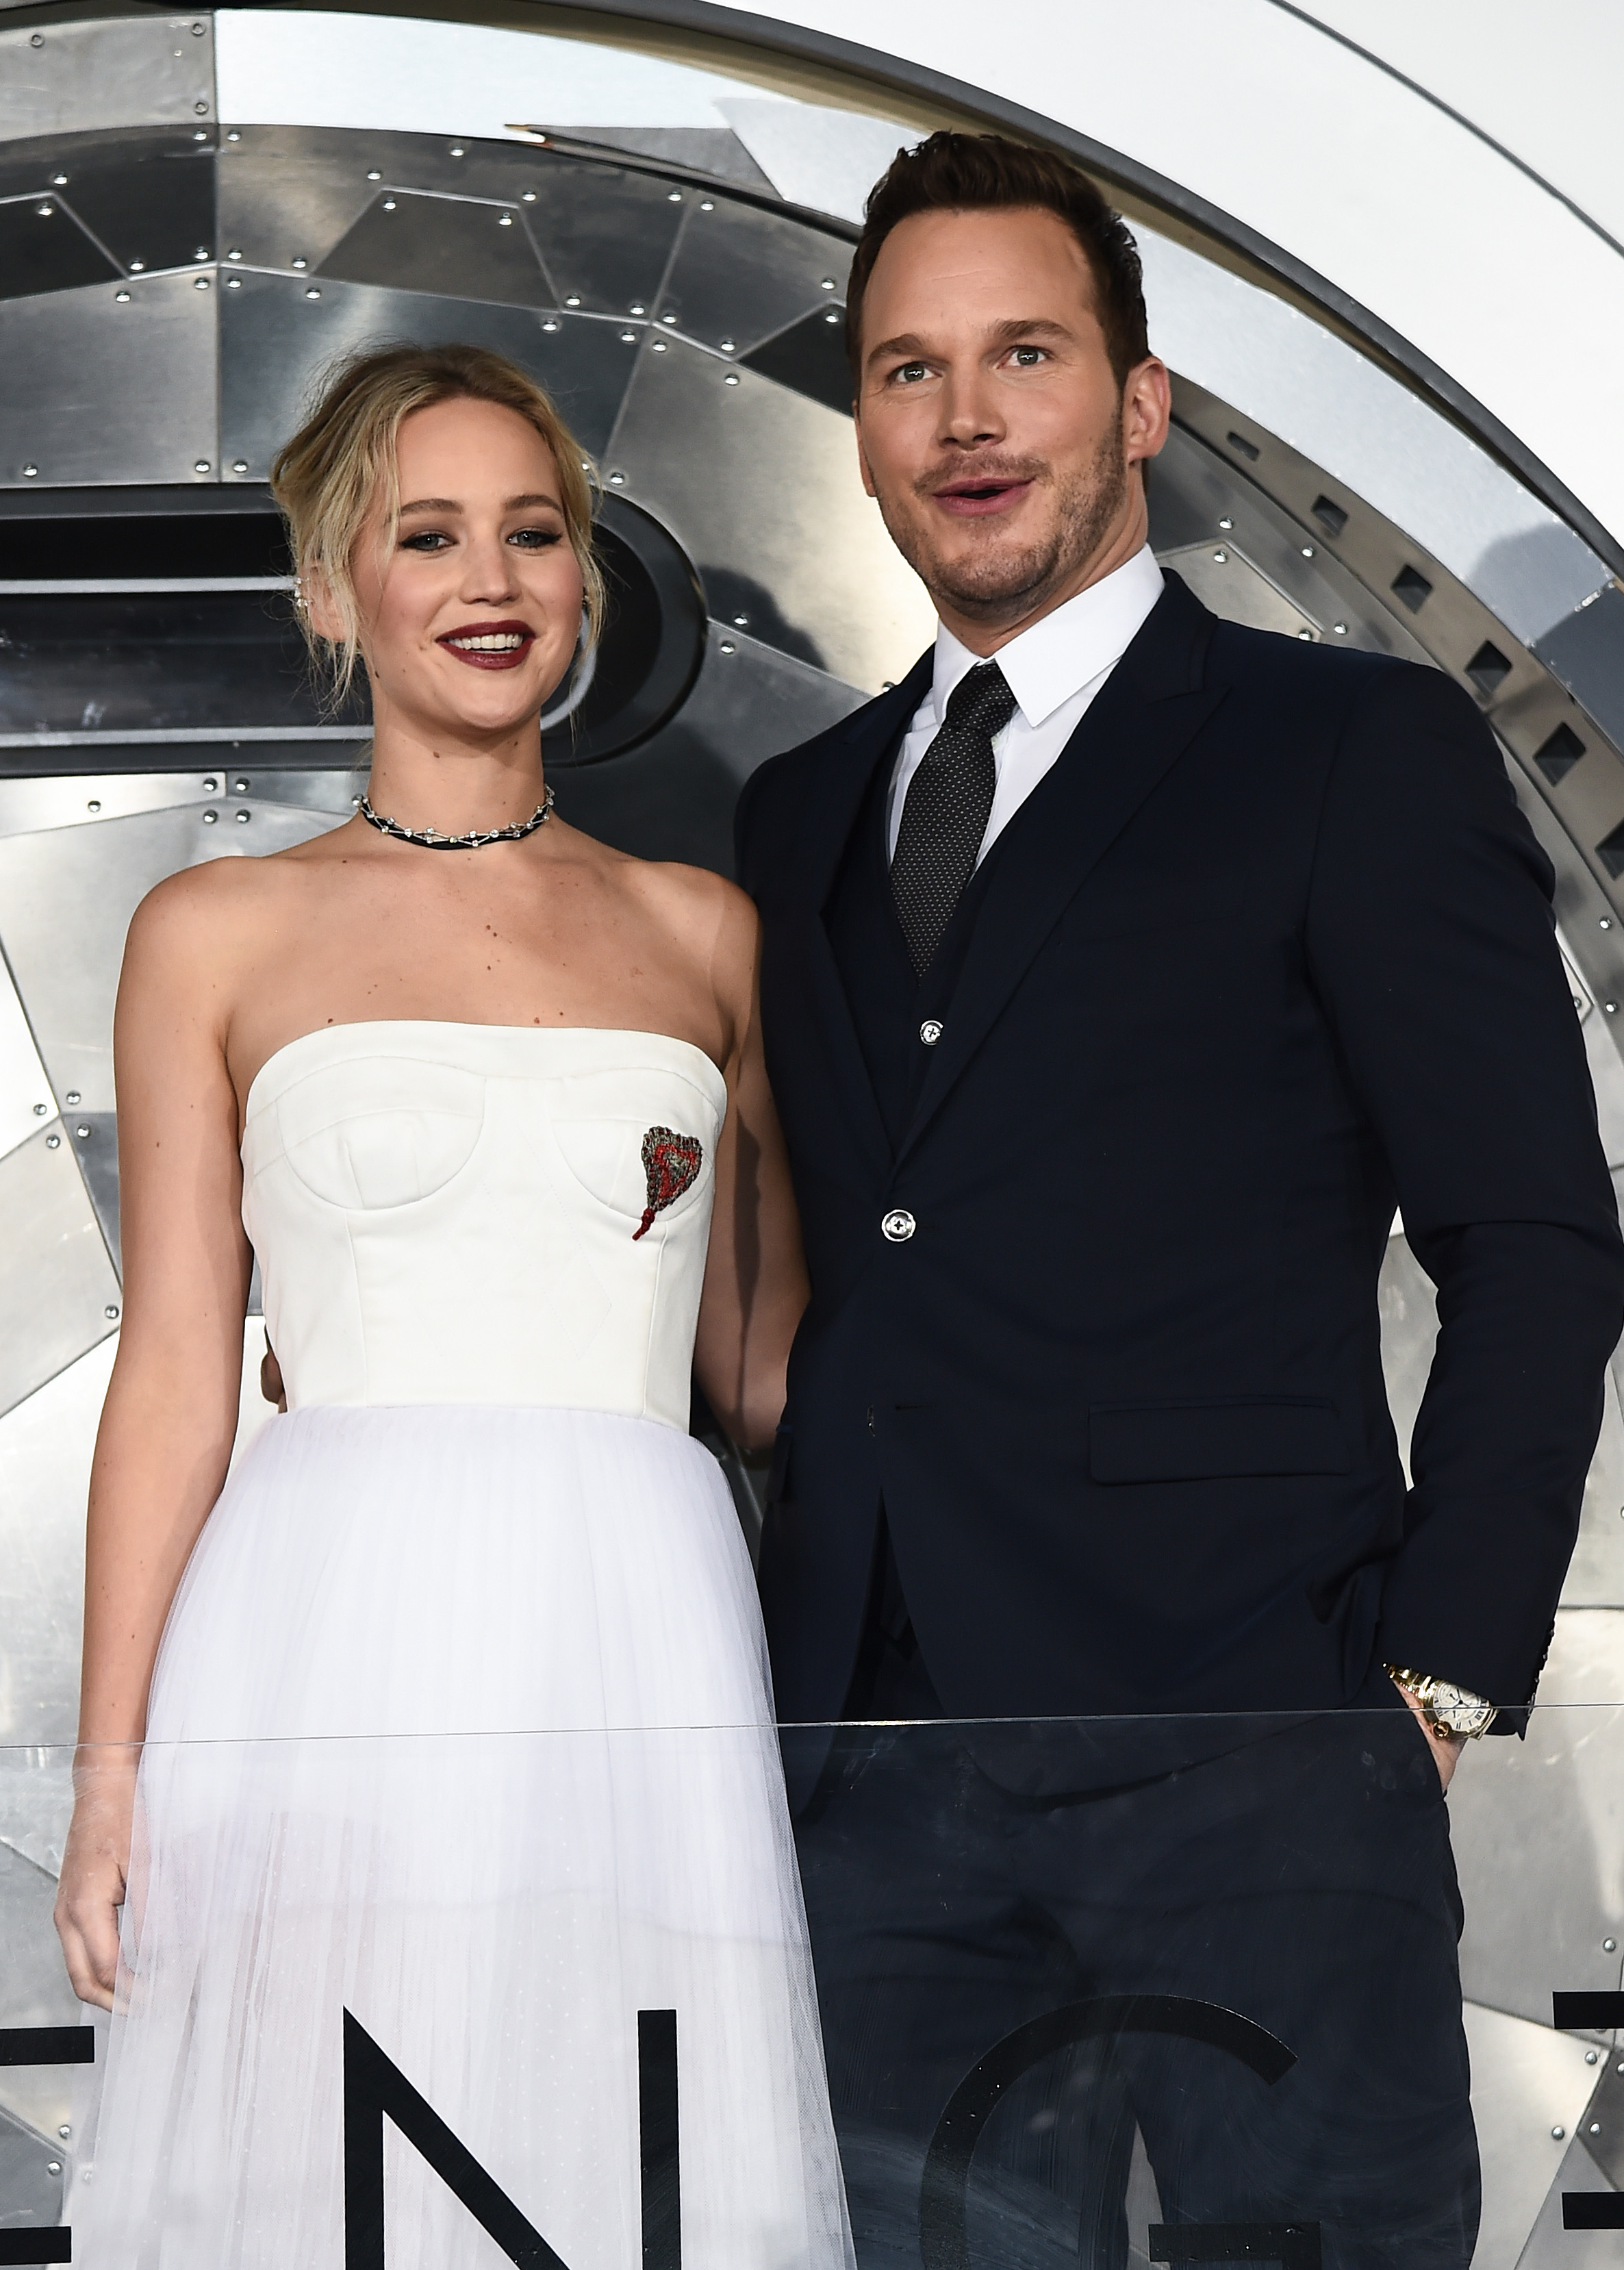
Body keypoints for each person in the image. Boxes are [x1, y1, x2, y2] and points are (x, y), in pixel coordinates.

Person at [735, 134, 1624, 2264]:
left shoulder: (1347, 747)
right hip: (870, 1772)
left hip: (1258, 1743)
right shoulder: (793, 814)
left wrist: (1437, 1679)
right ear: (861, 424)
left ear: (1138, 401)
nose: (964, 418)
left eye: (1023, 355)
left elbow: (1530, 1236)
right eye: (908, 369)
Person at [53, 342, 854, 2267]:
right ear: (335, 590)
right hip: (326, 1637)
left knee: (631, 2160)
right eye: (427, 537)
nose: (489, 582)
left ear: (583, 578)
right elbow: (177, 1372)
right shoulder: (213, 933)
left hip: (640, 1635)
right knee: (326, 2175)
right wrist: (109, 1772)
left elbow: (767, 1375)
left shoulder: (704, 932)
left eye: (532, 533)